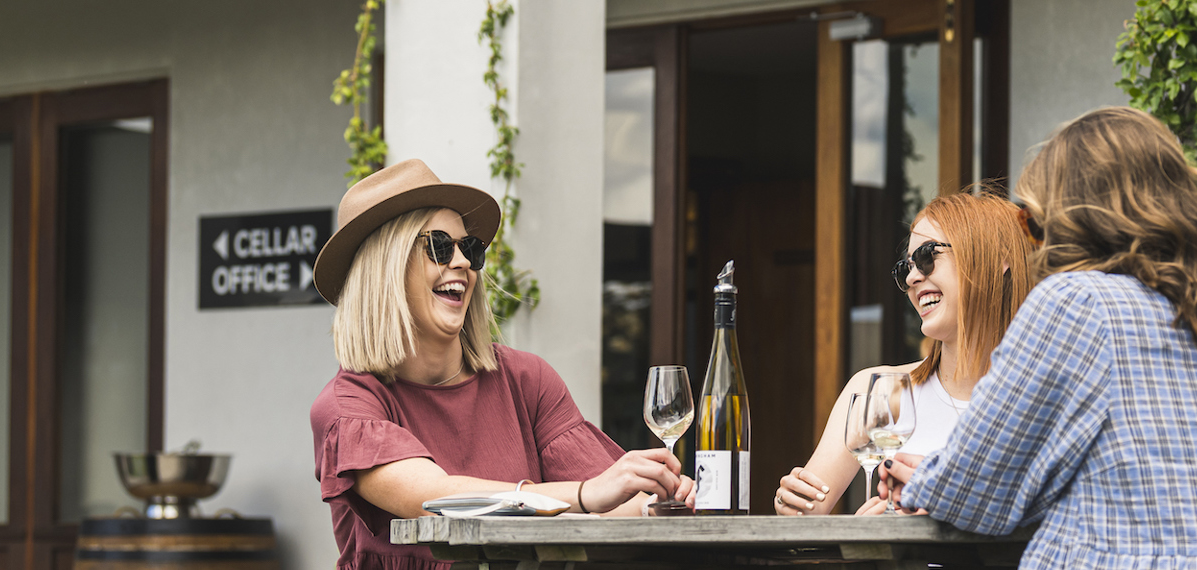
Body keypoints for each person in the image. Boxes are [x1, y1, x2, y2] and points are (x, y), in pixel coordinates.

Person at [892, 107, 1197, 569]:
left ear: (1071, 219)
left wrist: (924, 479)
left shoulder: (1080, 303)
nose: (1035, 246)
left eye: (1033, 224)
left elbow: (972, 493)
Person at [307, 159, 693, 570]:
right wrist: (583, 494)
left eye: (469, 249)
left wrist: (653, 502)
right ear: (384, 268)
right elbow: (433, 499)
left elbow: (606, 506)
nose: (461, 262)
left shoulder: (526, 380)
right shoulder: (348, 407)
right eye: (439, 246)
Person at [774, 190, 1036, 516]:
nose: (912, 278)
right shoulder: (878, 390)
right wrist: (792, 505)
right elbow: (806, 521)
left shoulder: (1046, 398)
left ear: (998, 259)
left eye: (927, 256)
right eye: (905, 268)